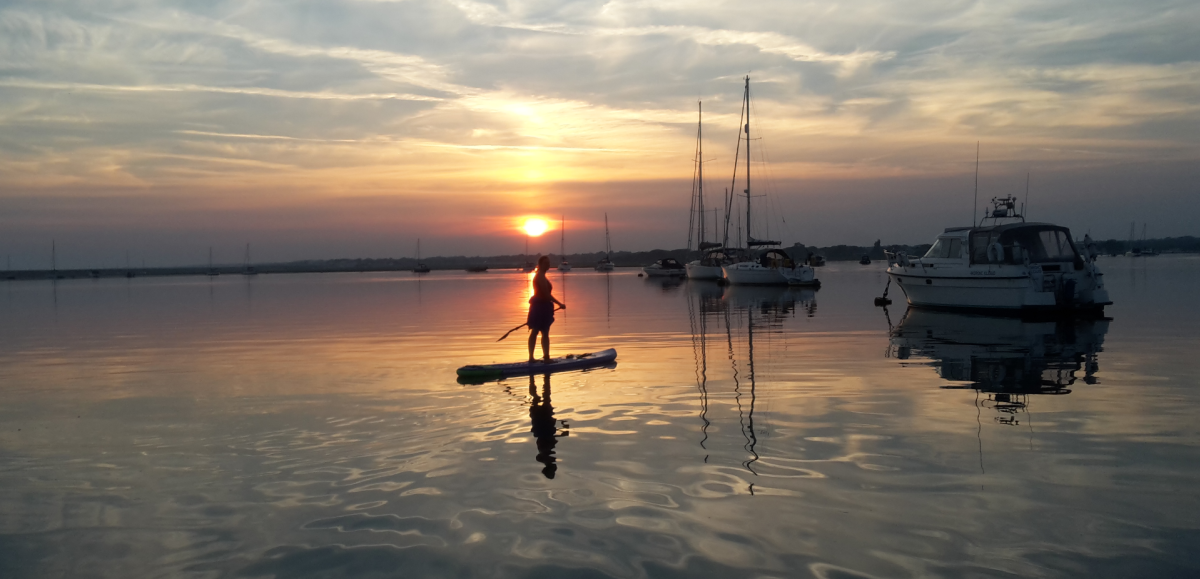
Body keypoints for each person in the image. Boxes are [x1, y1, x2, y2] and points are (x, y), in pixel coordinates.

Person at [528, 255, 565, 363]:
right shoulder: (539, 276)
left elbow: (547, 295)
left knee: (544, 331)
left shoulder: (542, 276)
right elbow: (546, 294)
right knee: (536, 331)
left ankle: (545, 356)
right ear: (540, 265)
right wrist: (560, 304)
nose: (548, 265)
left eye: (549, 263)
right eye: (546, 263)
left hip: (544, 307)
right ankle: (534, 358)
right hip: (539, 307)